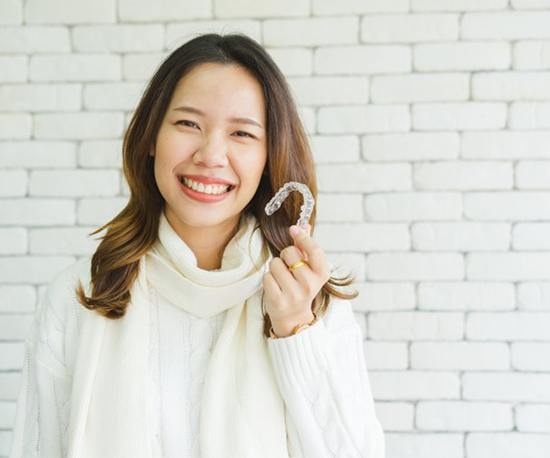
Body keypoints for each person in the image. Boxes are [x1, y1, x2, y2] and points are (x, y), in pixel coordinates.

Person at [9, 33, 385, 458]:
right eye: (188, 124)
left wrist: (295, 331)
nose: (211, 154)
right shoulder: (81, 295)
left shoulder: (311, 299)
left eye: (242, 133)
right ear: (151, 137)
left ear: (268, 156)